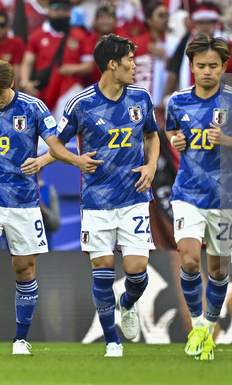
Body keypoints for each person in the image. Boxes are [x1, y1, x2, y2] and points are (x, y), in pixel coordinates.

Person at [47, 34, 160, 358]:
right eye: (130, 60)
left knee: (138, 271)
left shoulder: (141, 98)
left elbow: (152, 136)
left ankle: (127, 305)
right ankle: (112, 341)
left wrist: (151, 166)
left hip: (135, 196)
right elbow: (55, 143)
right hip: (97, 201)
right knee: (104, 267)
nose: (135, 66)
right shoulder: (81, 103)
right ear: (113, 64)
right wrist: (76, 159)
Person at [164, 35, 232, 361]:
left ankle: (207, 326)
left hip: (226, 197)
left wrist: (228, 139)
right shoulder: (177, 101)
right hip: (187, 192)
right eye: (201, 66)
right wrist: (176, 140)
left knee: (218, 271)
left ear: (224, 67)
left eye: (213, 66)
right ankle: (197, 327)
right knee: (190, 259)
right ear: (191, 67)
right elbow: (172, 131)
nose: (207, 72)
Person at [0, 59, 58, 355]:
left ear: (10, 84)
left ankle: (20, 339)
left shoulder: (34, 108)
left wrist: (41, 161)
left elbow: (58, 147)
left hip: (26, 203)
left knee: (24, 270)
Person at [20, 0, 92, 116]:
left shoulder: (80, 35)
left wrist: (72, 69)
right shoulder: (38, 35)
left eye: (64, 8)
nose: (60, 11)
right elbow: (27, 62)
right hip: (43, 94)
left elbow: (89, 66)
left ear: (70, 11)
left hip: (70, 91)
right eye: (55, 7)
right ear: (48, 9)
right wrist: (25, 81)